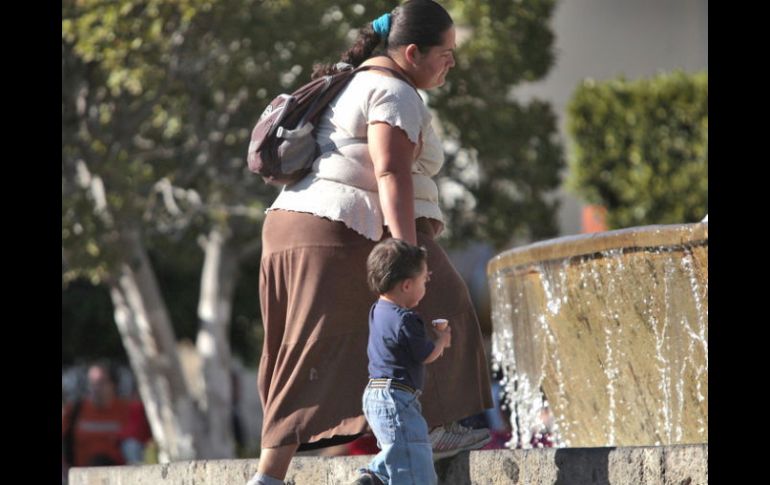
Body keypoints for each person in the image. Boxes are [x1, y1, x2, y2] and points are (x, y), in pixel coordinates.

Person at [249, 2, 493, 484]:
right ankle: (434, 430)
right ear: (411, 53)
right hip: (338, 228)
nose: (452, 62)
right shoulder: (394, 91)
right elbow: (391, 171)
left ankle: (271, 477)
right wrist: (408, 253)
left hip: (296, 227)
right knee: (445, 300)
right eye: (445, 53)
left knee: (305, 353)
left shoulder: (353, 81)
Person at [353, 239, 451, 485]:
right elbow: (426, 355)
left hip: (375, 395)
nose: (426, 285)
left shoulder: (377, 310)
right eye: (424, 280)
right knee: (416, 464)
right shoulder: (407, 319)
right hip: (396, 398)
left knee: (400, 450)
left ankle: (372, 478)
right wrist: (442, 340)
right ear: (407, 285)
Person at [61, 362, 131, 468]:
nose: (96, 388)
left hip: (119, 473)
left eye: (101, 382)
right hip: (82, 473)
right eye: (92, 383)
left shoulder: (127, 410)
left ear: (113, 384)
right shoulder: (74, 410)